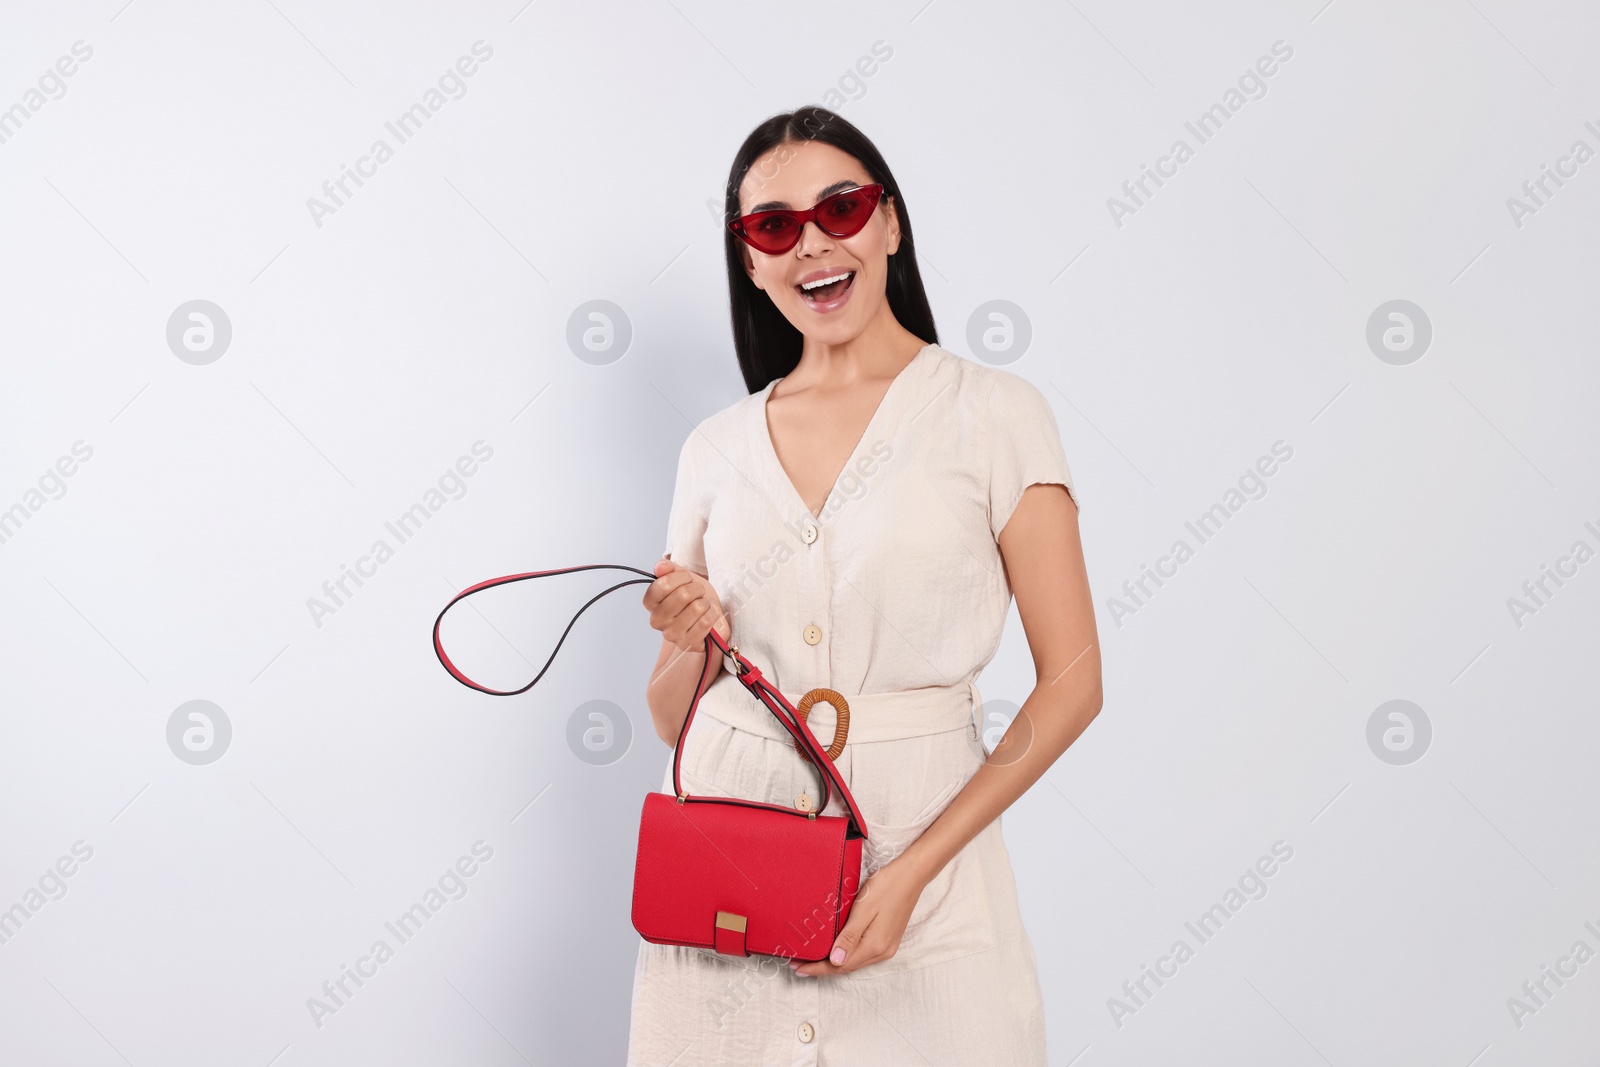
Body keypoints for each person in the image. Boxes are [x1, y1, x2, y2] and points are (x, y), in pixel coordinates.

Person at [631, 105, 1101, 1066]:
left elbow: (1073, 683)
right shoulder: (715, 448)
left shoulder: (994, 415)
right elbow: (673, 716)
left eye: (839, 208)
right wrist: (689, 634)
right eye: (773, 227)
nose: (812, 243)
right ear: (752, 262)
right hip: (734, 884)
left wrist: (913, 874)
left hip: (928, 880)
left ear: (889, 223)